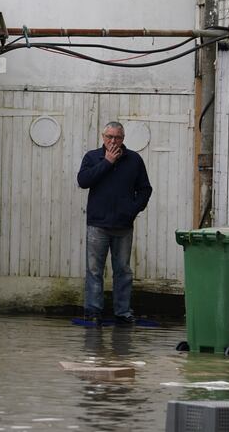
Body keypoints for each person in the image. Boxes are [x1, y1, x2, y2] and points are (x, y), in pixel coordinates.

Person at [77, 121, 152, 327]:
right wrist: (107, 162)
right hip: (97, 224)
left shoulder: (134, 160)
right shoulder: (93, 157)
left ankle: (123, 312)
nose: (113, 141)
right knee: (94, 270)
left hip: (123, 225)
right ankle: (93, 311)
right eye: (109, 137)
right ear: (103, 137)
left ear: (123, 138)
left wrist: (133, 209)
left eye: (117, 137)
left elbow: (145, 189)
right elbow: (83, 181)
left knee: (123, 271)